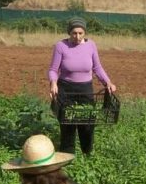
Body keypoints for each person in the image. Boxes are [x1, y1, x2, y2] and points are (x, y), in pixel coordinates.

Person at [48, 16, 117, 155]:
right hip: (66, 89)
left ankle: (87, 154)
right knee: (67, 124)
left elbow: (97, 67)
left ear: (85, 33)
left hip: (85, 89)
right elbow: (53, 70)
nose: (77, 36)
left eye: (81, 33)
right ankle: (67, 156)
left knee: (87, 124)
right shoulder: (61, 46)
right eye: (74, 33)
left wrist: (108, 82)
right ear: (69, 32)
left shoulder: (91, 45)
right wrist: (53, 82)